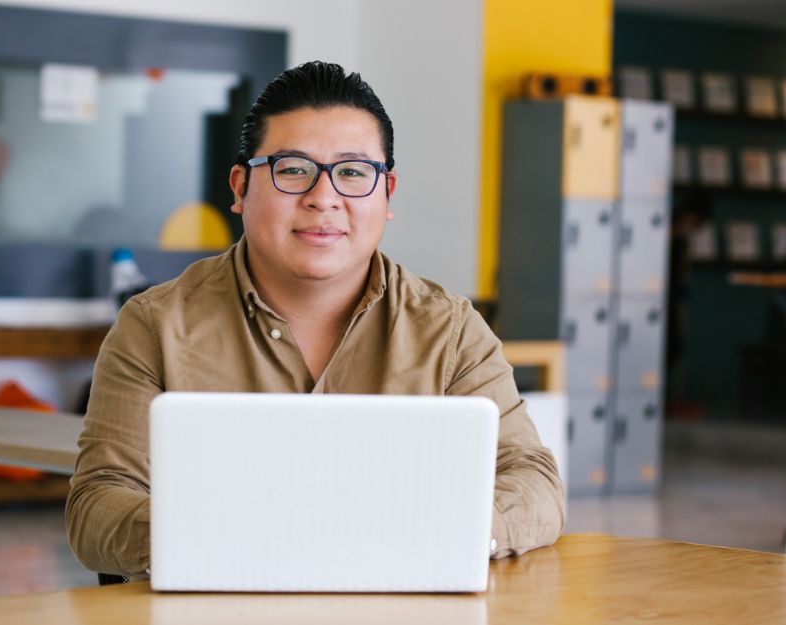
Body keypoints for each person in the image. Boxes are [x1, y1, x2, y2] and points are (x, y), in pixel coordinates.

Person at [66, 61, 565, 579]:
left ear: (387, 192)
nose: (323, 197)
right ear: (239, 188)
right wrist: (245, 540)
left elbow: (531, 480)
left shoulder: (451, 331)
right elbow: (98, 505)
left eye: (353, 172)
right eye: (293, 168)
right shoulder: (155, 326)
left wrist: (436, 531)